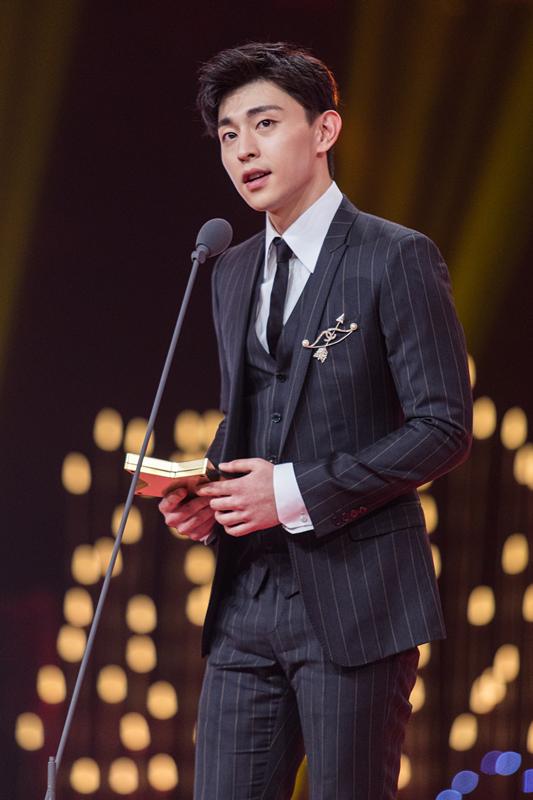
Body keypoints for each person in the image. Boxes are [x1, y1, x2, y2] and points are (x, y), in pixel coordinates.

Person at [159, 41, 472, 800]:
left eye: (264, 124)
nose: (243, 149)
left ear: (325, 130)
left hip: (357, 599)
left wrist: (291, 492)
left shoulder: (394, 257)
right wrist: (208, 490)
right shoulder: (230, 268)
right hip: (245, 602)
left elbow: (442, 427)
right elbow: (253, 412)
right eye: (228, 133)